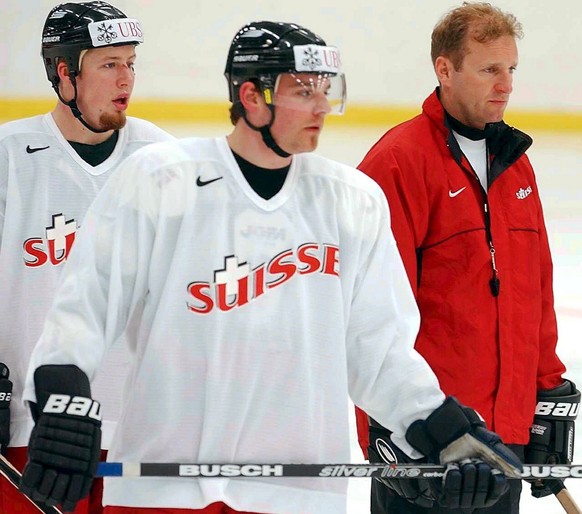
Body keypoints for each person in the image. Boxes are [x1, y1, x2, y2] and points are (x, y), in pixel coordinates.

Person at [20, 21, 521, 514]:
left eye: (325, 90)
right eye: (303, 91)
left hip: (296, 493)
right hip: (163, 486)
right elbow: (86, 307)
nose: (322, 106)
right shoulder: (160, 180)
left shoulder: (351, 201)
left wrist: (443, 429)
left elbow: (378, 350)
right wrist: (62, 397)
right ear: (252, 97)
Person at [355, 2, 580, 513]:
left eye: (511, 69)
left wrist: (543, 399)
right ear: (444, 69)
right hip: (433, 442)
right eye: (488, 69)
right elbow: (368, 320)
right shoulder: (397, 163)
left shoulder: (515, 167)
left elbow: (535, 295)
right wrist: (388, 437)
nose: (505, 84)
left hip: (502, 442)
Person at [0, 1, 173, 512]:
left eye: (131, 63)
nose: (126, 79)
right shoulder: (9, 156)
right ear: (64, 73)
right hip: (33, 430)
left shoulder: (161, 159)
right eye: (109, 64)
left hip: (138, 432)